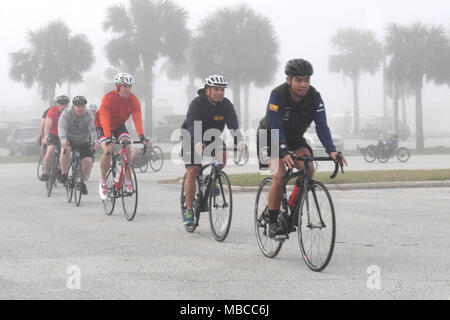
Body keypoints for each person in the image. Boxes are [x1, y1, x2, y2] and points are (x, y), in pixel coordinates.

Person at [257, 59, 347, 240]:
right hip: (270, 138)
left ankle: (291, 209)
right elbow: (274, 125)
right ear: (288, 80)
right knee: (279, 175)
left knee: (309, 169)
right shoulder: (278, 95)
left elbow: (322, 126)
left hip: (295, 140)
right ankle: (273, 222)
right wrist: (282, 150)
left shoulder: (314, 97)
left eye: (307, 80)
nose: (304, 84)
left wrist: (331, 150)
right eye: (299, 80)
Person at [181, 75, 246, 225]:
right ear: (207, 90)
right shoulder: (197, 104)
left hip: (212, 138)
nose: (220, 93)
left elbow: (233, 126)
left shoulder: (226, 105)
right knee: (193, 170)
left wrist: (240, 142)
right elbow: (192, 124)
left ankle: (210, 180)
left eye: (222, 90)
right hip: (191, 136)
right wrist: (197, 142)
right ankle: (189, 210)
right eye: (216, 89)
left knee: (223, 155)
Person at [95, 73, 151, 200]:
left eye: (129, 86)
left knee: (127, 146)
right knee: (108, 151)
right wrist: (108, 138)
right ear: (118, 86)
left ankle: (127, 179)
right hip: (103, 126)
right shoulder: (108, 98)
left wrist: (142, 136)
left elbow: (137, 118)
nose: (128, 89)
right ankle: (103, 181)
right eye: (124, 86)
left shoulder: (133, 100)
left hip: (119, 126)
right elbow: (104, 118)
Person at [58, 96, 100, 195]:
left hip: (83, 140)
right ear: (73, 106)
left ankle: (81, 181)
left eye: (83, 106)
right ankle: (64, 174)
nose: (80, 109)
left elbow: (93, 129)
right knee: (65, 150)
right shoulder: (66, 113)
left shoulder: (89, 114)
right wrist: (63, 139)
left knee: (88, 161)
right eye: (78, 106)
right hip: (69, 139)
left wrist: (95, 140)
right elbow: (62, 127)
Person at [40, 95, 69, 181]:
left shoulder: (69, 112)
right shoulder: (52, 111)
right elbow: (48, 125)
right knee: (50, 150)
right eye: (61, 104)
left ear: (67, 105)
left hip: (64, 136)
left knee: (66, 152)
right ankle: (45, 172)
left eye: (65, 104)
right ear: (57, 104)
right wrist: (46, 136)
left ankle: (62, 171)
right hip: (53, 134)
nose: (63, 107)